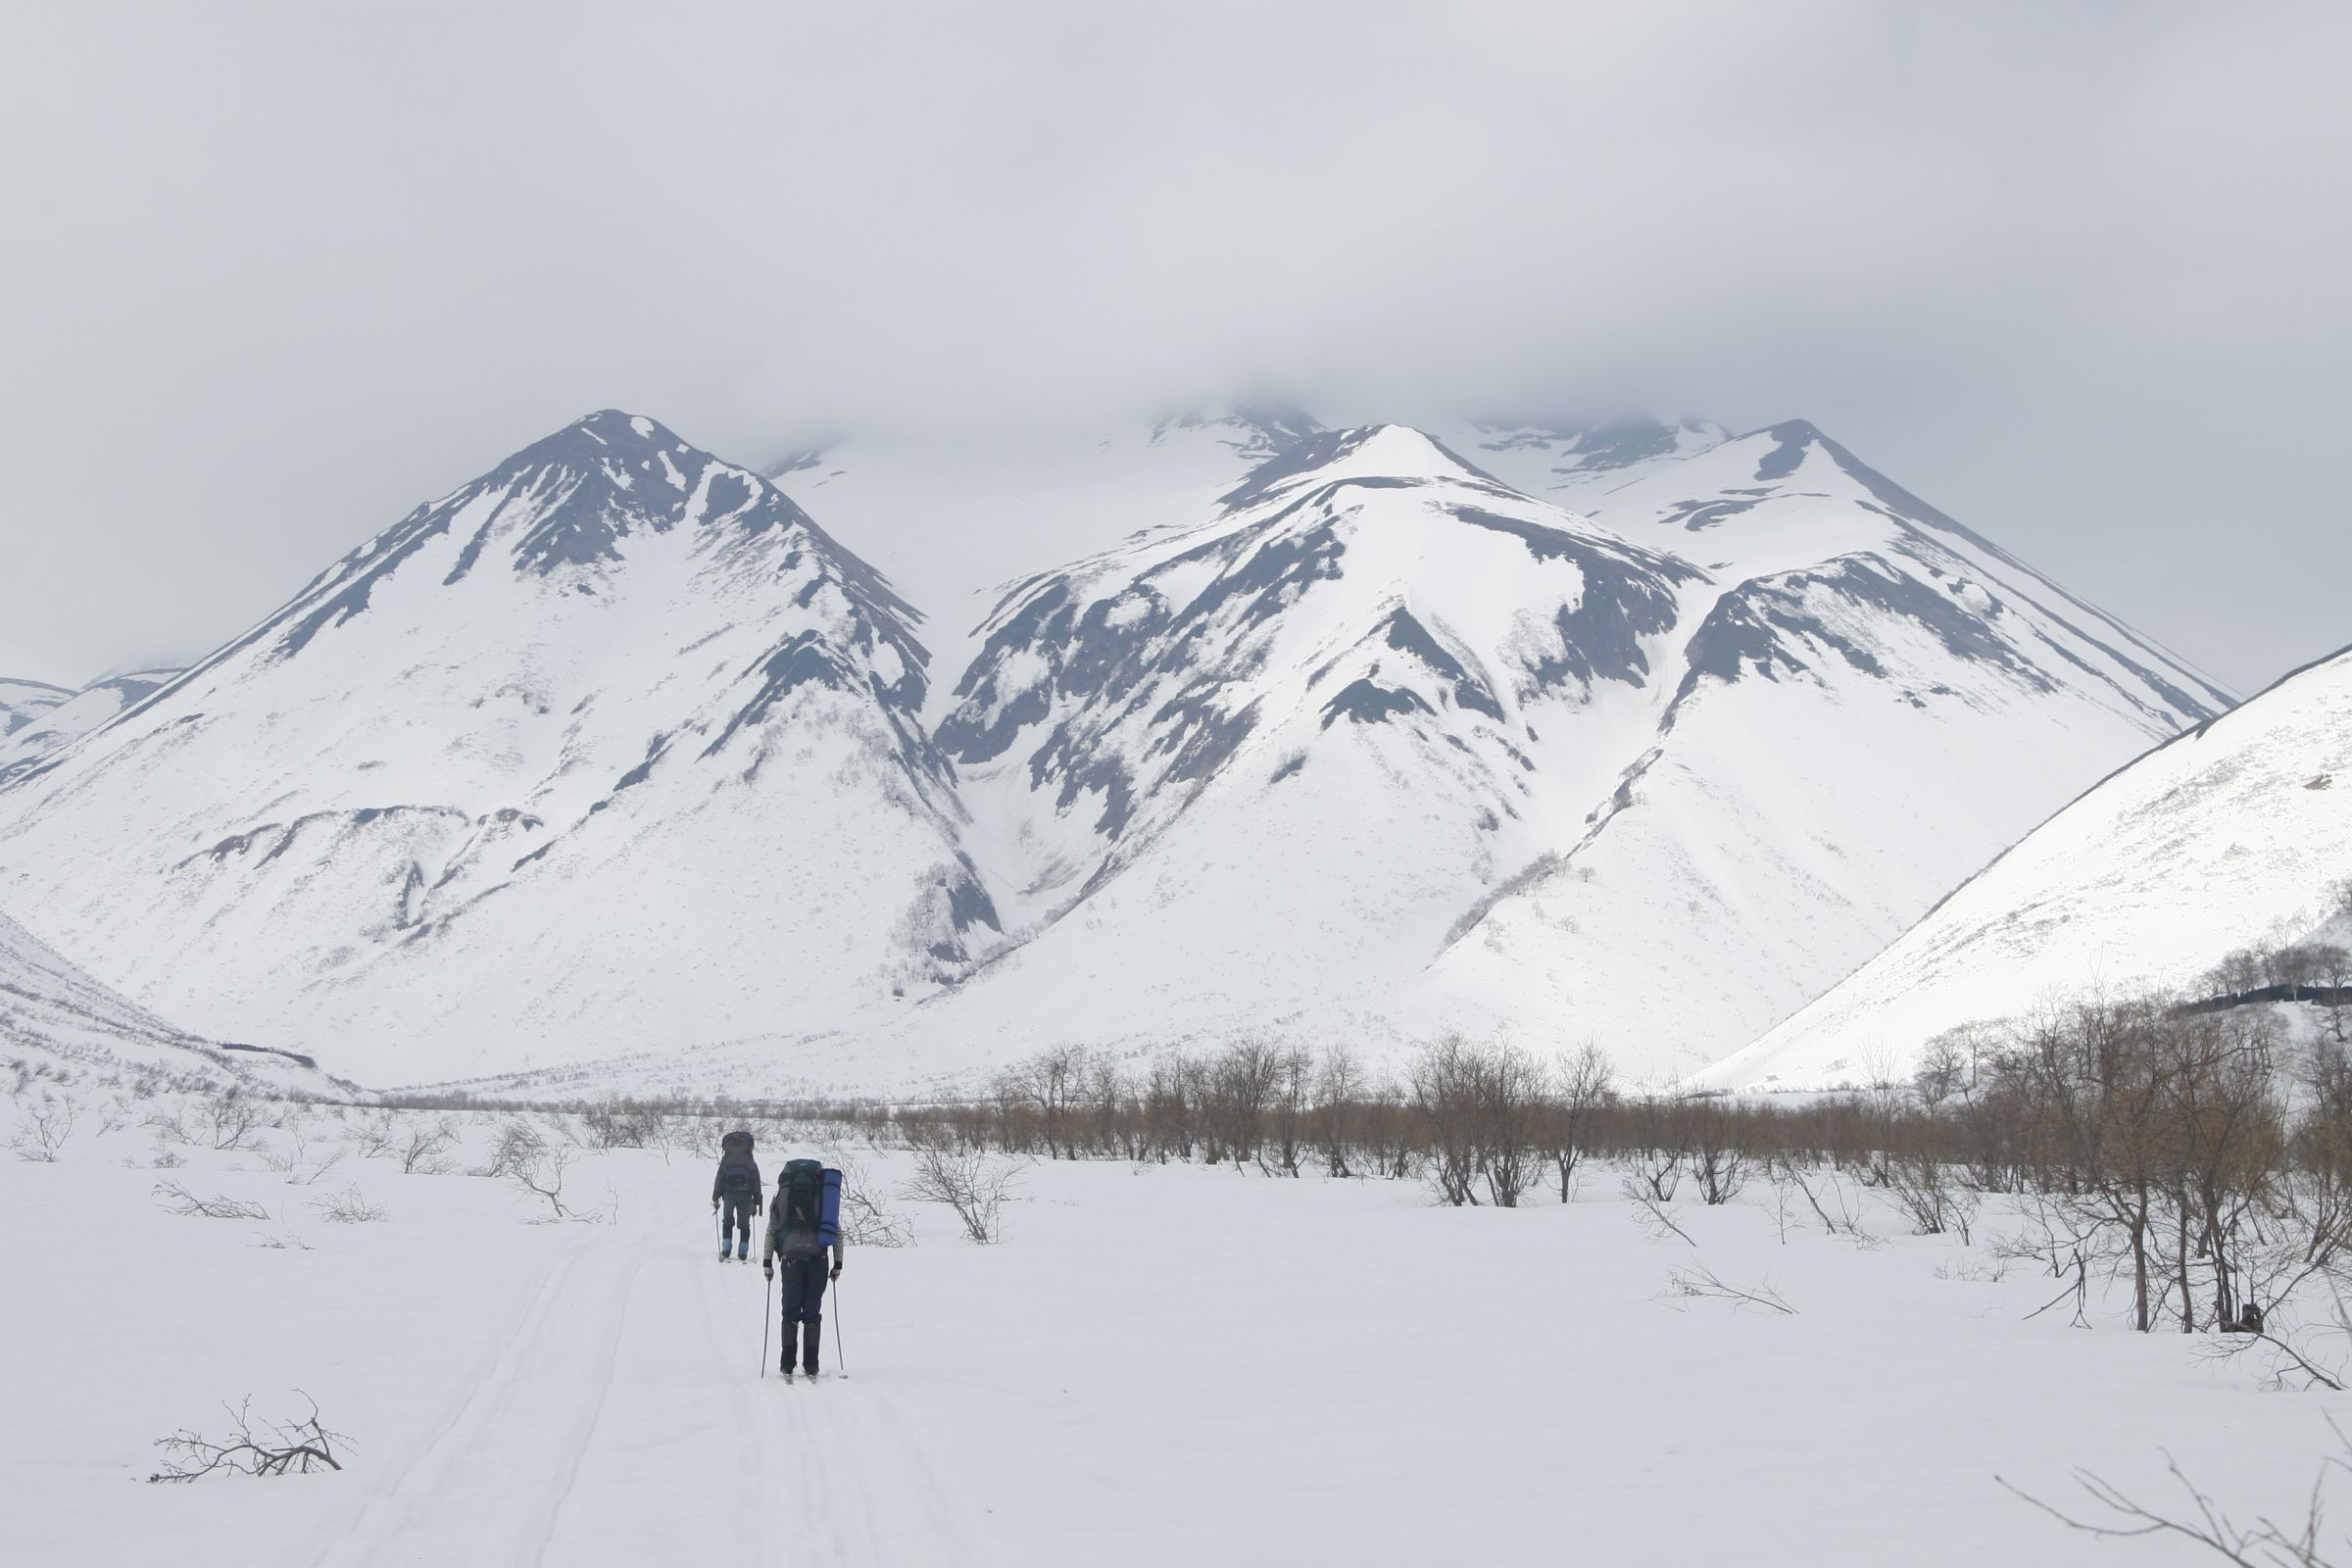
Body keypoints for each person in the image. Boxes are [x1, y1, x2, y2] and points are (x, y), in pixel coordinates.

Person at [763, 1158, 844, 1380]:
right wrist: (838, 1264)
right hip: (818, 1261)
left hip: (791, 1261)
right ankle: (811, 1365)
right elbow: (836, 1232)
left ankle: (787, 1364)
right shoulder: (823, 1197)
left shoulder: (782, 1198)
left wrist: (767, 1263)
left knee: (789, 1312)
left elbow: (772, 1231)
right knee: (812, 1313)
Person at [710, 1129, 761, 1262]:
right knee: (744, 1223)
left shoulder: (727, 1161)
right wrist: (756, 1202)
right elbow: (756, 1182)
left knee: (727, 1220)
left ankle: (726, 1249)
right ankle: (743, 1251)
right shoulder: (750, 1162)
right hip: (746, 1195)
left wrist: (715, 1198)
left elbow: (719, 1178)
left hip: (729, 1194)